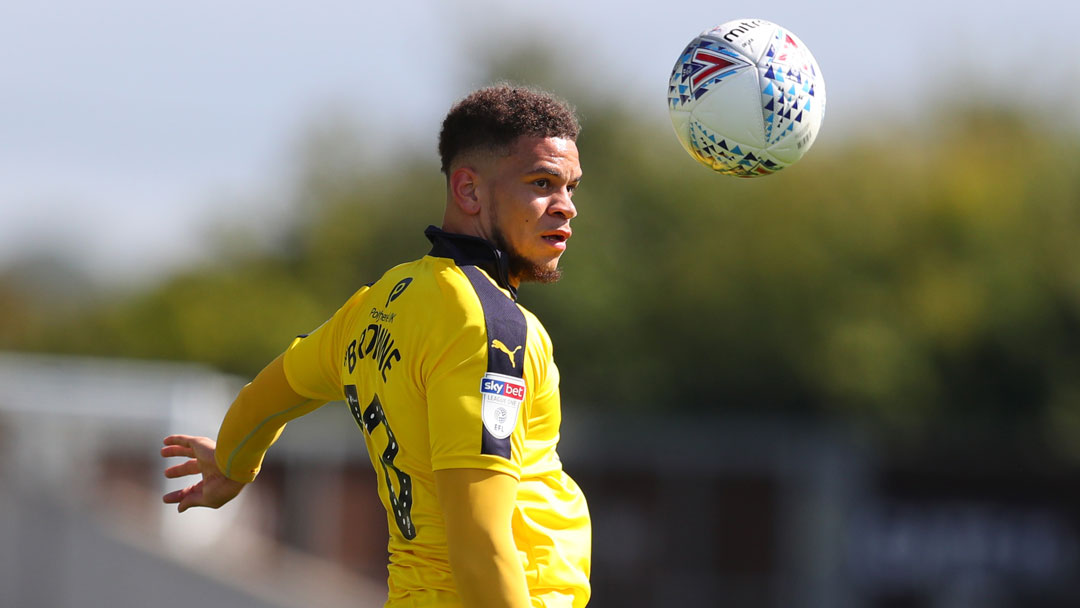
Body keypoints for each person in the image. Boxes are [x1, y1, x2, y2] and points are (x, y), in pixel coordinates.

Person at [161, 84, 591, 608]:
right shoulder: (489, 329)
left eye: (570, 187)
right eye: (542, 182)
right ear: (469, 191)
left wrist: (232, 462)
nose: (566, 207)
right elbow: (480, 542)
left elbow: (268, 396)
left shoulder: (380, 302)